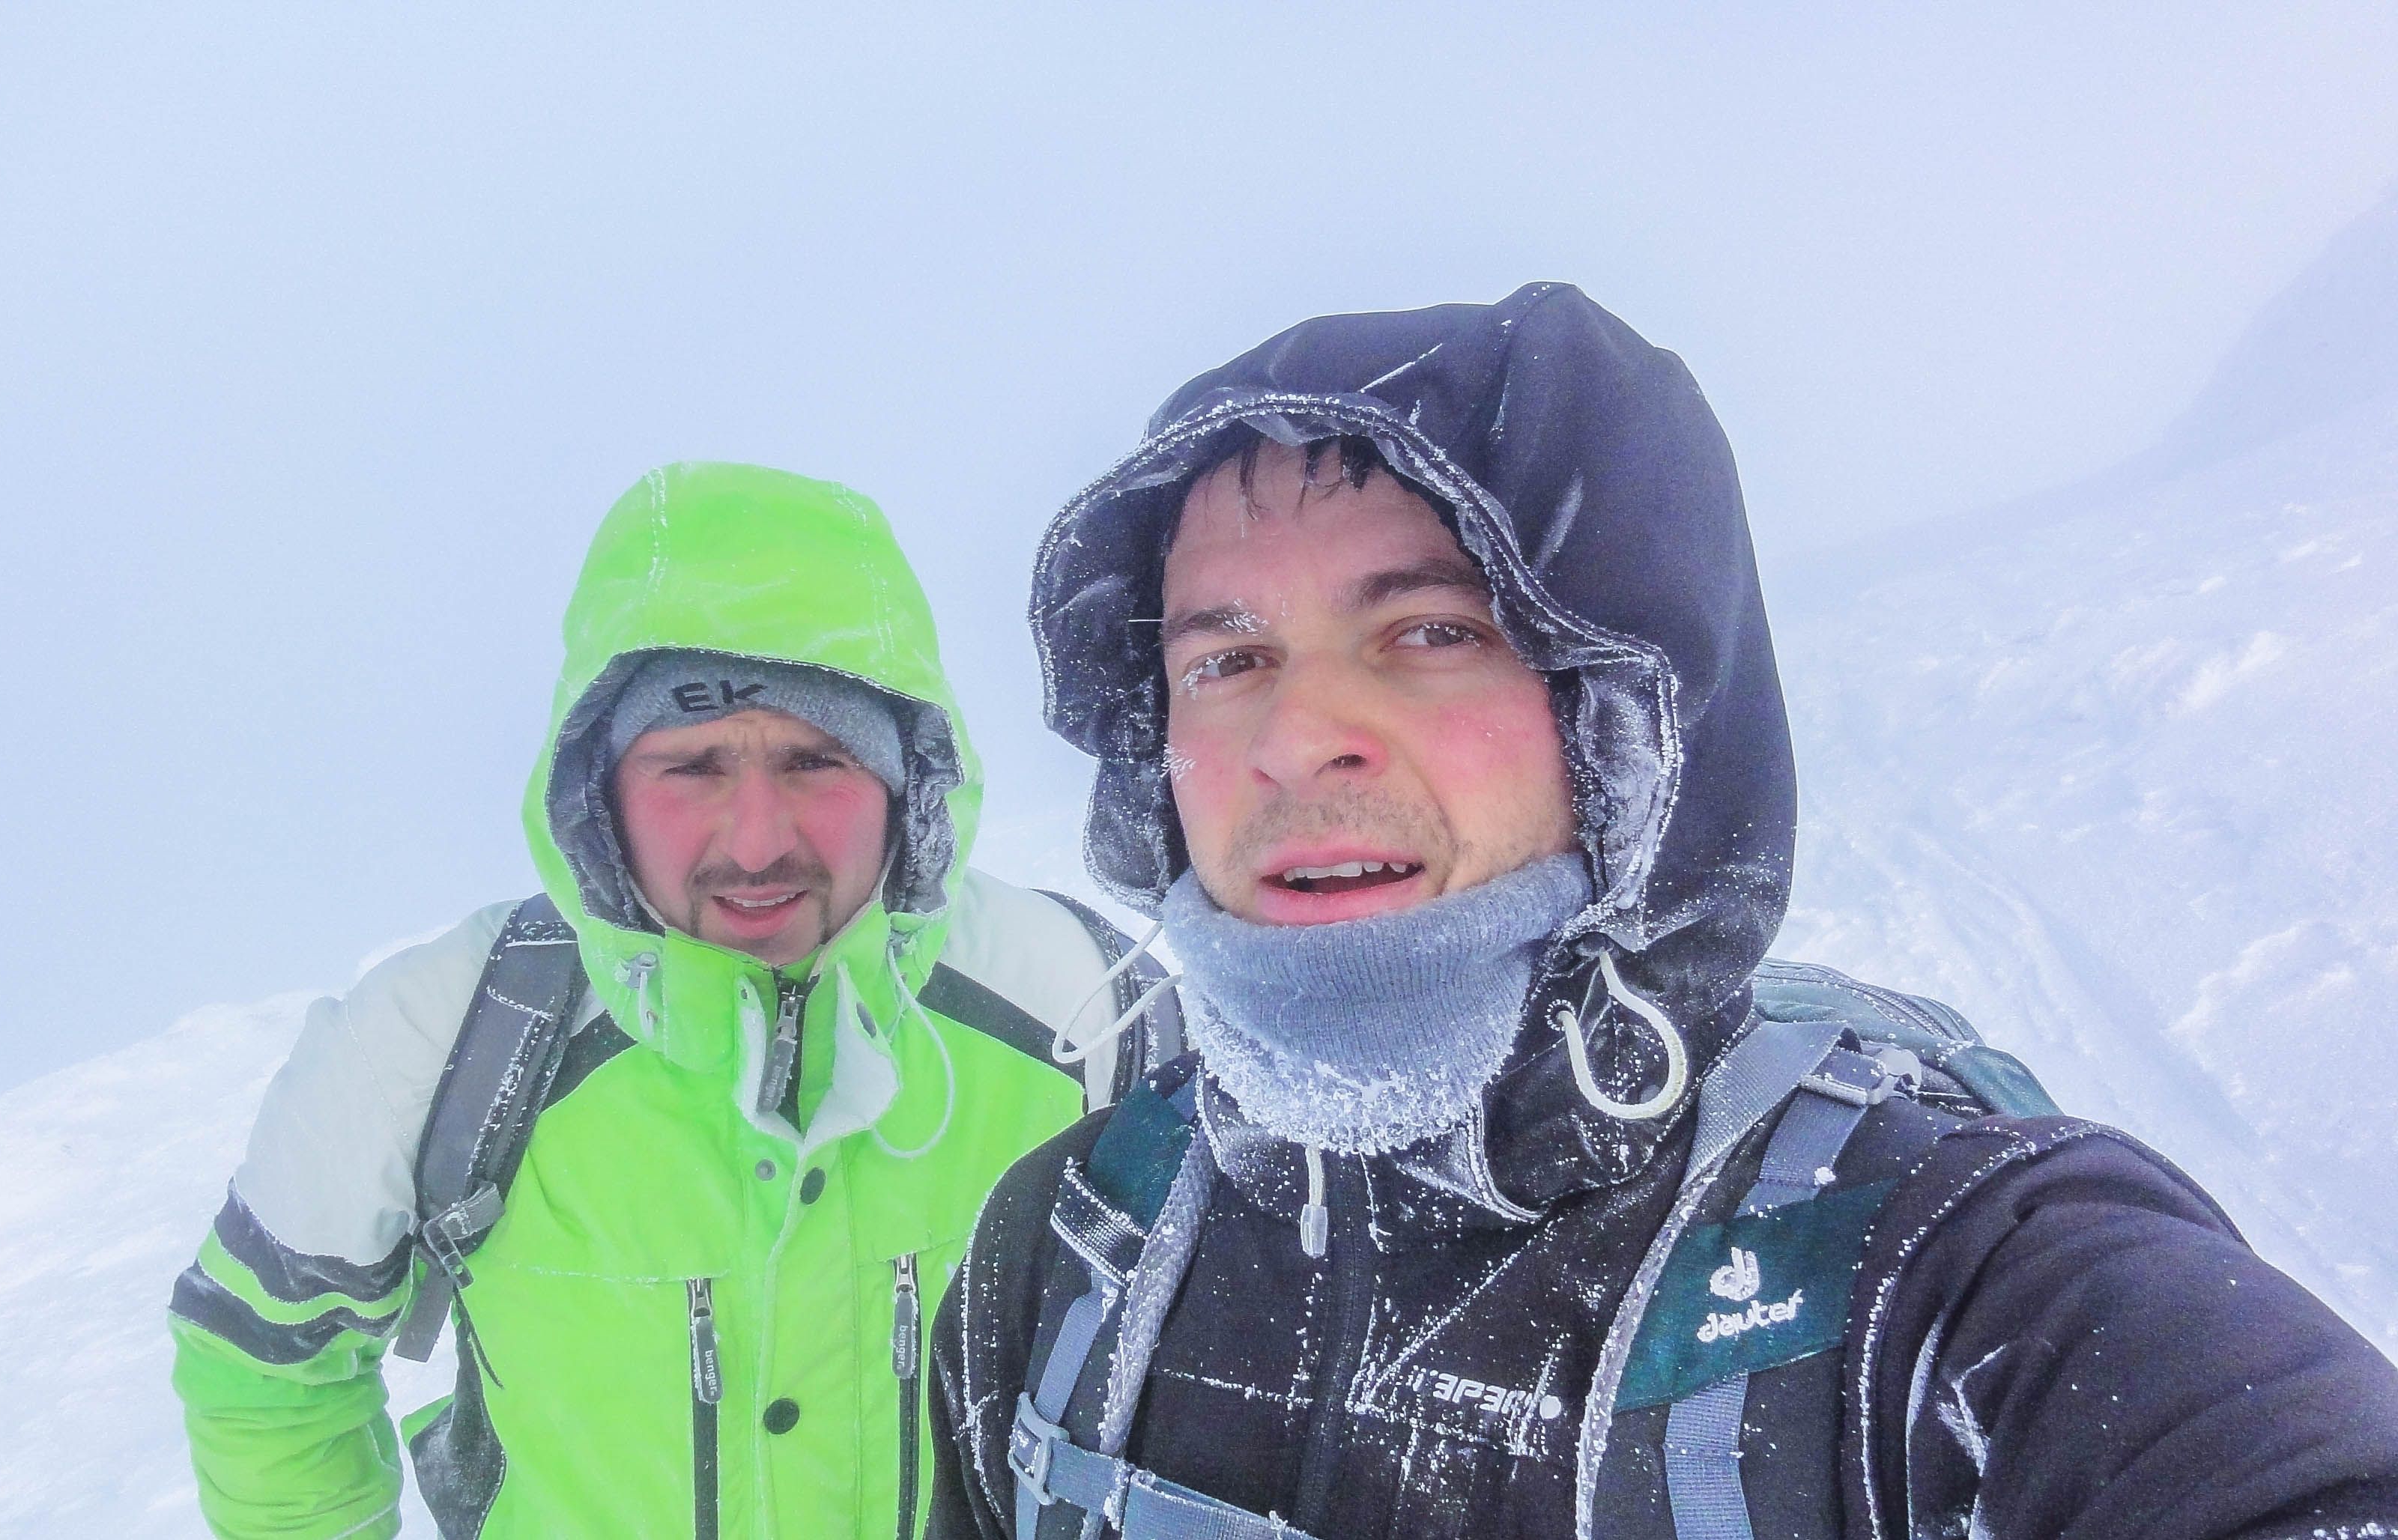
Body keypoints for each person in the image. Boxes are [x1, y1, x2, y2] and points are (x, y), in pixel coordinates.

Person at [927, 289, 2398, 1539]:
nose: (1297, 733)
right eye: (1224, 658)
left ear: (1636, 715)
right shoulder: (1060, 1249)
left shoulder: (1941, 1275)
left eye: (1432, 630)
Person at [169, 461, 1176, 1539]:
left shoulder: (1080, 1008)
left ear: (907, 780)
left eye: (815, 759)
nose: (756, 841)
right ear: (596, 790)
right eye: (691, 766)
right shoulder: (445, 1037)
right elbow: (265, 1368)